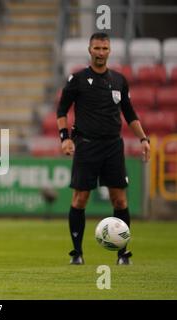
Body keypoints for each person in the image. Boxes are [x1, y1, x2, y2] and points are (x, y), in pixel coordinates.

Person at [57, 32, 151, 265]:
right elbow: (61, 110)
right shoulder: (77, 79)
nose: (100, 53)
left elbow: (129, 113)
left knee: (119, 200)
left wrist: (143, 138)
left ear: (110, 51)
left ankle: (122, 254)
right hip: (87, 145)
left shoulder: (119, 80)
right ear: (90, 50)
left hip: (112, 146)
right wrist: (65, 139)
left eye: (104, 49)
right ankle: (77, 253)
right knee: (80, 199)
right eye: (97, 48)